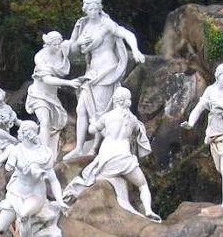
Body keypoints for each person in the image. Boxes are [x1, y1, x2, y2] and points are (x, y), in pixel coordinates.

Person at [63, 0, 146, 160]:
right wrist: (78, 43)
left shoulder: (106, 23)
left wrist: (135, 50)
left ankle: (99, 146)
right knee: (81, 108)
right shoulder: (82, 24)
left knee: (101, 112)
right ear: (85, 9)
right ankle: (79, 147)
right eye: (90, 9)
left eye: (96, 8)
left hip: (107, 69)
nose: (93, 11)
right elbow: (71, 48)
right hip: (91, 71)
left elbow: (126, 34)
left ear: (100, 8)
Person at [63, 86, 161, 222]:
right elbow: (137, 136)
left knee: (91, 178)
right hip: (125, 158)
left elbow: (92, 130)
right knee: (143, 185)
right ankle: (148, 210)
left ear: (115, 100)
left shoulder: (108, 116)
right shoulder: (133, 120)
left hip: (107, 157)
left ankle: (73, 196)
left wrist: (93, 120)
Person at [0, 121, 69, 237]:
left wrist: (60, 200)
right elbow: (10, 162)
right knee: (1, 228)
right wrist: (8, 165)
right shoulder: (17, 150)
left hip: (35, 194)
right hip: (15, 192)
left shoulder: (43, 153)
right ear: (21, 133)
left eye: (32, 130)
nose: (29, 133)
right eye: (26, 130)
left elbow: (53, 180)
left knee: (24, 214)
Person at [181, 63, 223, 216]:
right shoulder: (211, 90)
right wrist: (190, 123)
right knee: (221, 169)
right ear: (218, 76)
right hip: (216, 132)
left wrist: (222, 105)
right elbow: (199, 108)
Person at [26, 31, 81, 157]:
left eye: (59, 43)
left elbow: (73, 43)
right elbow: (47, 79)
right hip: (38, 95)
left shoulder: (61, 48)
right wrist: (69, 83)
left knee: (53, 125)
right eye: (54, 44)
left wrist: (81, 34)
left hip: (52, 96)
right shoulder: (40, 57)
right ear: (48, 44)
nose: (57, 46)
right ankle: (43, 152)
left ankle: (45, 147)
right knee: (45, 121)